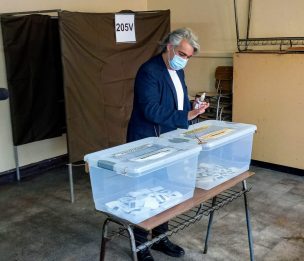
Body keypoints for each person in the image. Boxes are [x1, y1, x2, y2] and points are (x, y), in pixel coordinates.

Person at [127, 28, 209, 261]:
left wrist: (193, 107)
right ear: (169, 47)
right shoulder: (149, 71)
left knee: (165, 190)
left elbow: (176, 102)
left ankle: (160, 238)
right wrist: (186, 117)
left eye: (188, 57)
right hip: (146, 140)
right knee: (144, 193)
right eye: (182, 54)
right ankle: (141, 247)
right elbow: (150, 110)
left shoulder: (177, 71)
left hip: (169, 139)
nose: (184, 60)